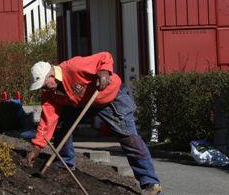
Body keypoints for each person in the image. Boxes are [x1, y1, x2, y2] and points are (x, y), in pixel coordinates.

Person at [26, 52, 162, 195]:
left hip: (110, 97)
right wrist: (36, 148)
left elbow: (105, 57)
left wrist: (103, 72)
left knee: (129, 138)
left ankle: (150, 183)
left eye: (44, 85)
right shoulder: (49, 95)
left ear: (51, 76)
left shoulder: (74, 67)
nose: (43, 89)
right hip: (83, 103)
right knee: (60, 125)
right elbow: (47, 121)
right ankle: (65, 164)